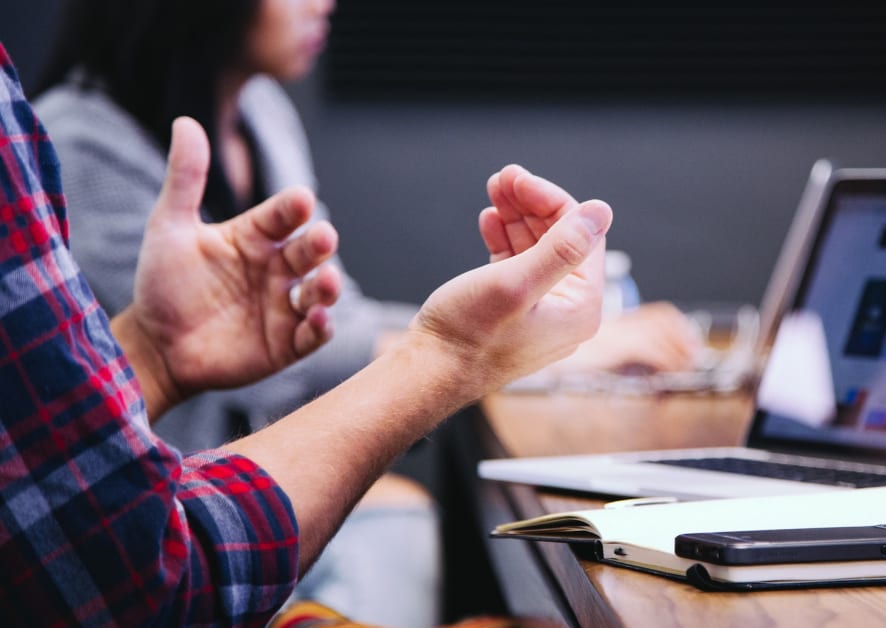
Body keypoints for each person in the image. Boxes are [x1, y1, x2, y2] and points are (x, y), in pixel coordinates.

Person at [32, 1, 698, 623]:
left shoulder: (260, 111)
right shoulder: (77, 146)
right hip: (166, 536)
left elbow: (324, 321)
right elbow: (300, 362)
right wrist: (500, 346)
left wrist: (496, 340)